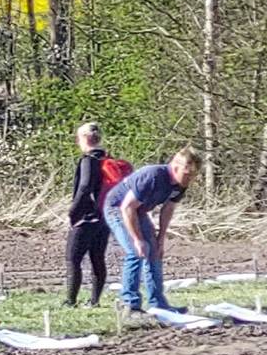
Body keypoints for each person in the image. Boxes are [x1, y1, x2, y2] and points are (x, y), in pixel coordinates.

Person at [108, 147, 201, 315]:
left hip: (139, 211)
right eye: (187, 174)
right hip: (118, 208)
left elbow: (168, 209)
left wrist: (160, 239)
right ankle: (130, 305)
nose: (190, 179)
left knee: (154, 253)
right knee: (135, 252)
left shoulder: (180, 185)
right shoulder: (153, 176)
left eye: (193, 175)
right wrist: (137, 239)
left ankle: (158, 304)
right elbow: (127, 207)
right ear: (175, 167)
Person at [64, 123, 113, 307]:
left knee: (72, 258)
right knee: (97, 258)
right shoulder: (108, 160)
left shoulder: (88, 160)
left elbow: (85, 187)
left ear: (84, 138)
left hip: (86, 216)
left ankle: (70, 301)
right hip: (104, 216)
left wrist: (73, 211)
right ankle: (95, 301)